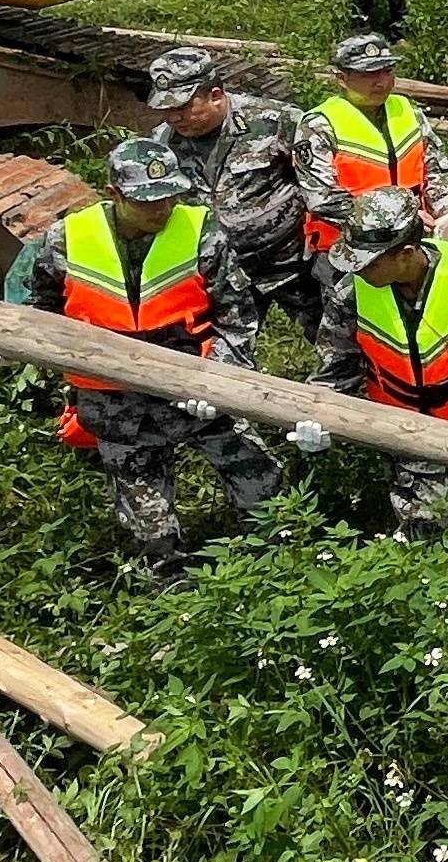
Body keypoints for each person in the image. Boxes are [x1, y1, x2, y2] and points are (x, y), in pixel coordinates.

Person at [22, 134, 286, 573]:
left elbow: (238, 318)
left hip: (196, 389)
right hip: (114, 402)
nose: (161, 209)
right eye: (147, 202)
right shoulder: (65, 240)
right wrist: (5, 346)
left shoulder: (202, 231)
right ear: (115, 194)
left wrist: (218, 380)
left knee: (257, 477)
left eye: (168, 197)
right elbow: (41, 314)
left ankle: (277, 558)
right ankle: (170, 583)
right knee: (146, 518)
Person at [308, 187, 448, 531]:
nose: (357, 270)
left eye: (367, 262)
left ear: (406, 253)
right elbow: (333, 371)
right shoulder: (350, 295)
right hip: (405, 435)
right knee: (427, 537)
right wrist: (317, 416)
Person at [143, 45, 339, 360]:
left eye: (183, 106)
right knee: (221, 357)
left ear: (216, 95)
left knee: (337, 346)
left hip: (292, 264)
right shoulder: (162, 144)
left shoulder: (275, 121)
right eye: (165, 108)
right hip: (224, 275)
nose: (174, 117)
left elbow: (323, 185)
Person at [307, 31, 448, 258]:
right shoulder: (319, 125)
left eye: (387, 71)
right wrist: (401, 220)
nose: (381, 82)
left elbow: (437, 169)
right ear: (341, 78)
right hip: (349, 250)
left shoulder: (408, 112)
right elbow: (322, 199)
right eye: (368, 74)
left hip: (412, 246)